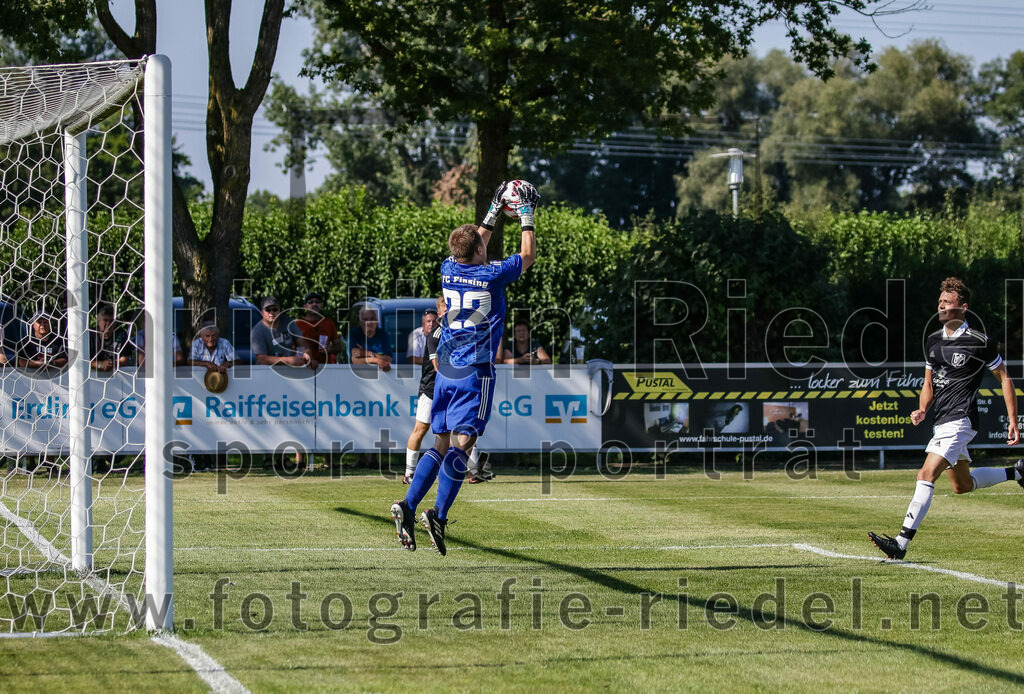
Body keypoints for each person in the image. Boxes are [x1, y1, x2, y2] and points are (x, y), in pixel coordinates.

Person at [391, 179, 539, 555]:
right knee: (464, 443)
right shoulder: (490, 275)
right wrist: (525, 215)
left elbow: (478, 241)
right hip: (476, 370)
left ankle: (408, 505)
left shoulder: (447, 267)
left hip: (446, 372)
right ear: (479, 251)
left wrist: (493, 207)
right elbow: (527, 256)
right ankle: (437, 514)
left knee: (439, 442)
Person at [868, 277, 1020, 561]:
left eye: (947, 303)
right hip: (941, 420)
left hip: (960, 420)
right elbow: (929, 383)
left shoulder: (979, 341)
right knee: (962, 485)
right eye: (940, 303)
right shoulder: (933, 340)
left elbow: (1005, 378)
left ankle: (900, 544)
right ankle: (1017, 472)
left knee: (926, 475)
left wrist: (1013, 420)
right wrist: (923, 408)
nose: (941, 307)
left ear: (962, 308)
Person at [401, 299, 486, 484]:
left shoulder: (459, 331)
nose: (452, 311)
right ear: (440, 313)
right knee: (421, 429)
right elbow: (438, 367)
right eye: (448, 309)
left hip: (452, 387)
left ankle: (473, 471)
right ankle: (409, 473)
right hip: (432, 388)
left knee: (465, 427)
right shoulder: (436, 334)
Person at [251, 296, 315, 368]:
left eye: (275, 309)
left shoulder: (287, 321)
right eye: (268, 310)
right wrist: (288, 361)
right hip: (267, 371)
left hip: (289, 369)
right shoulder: (257, 331)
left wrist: (309, 356)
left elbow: (302, 342)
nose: (272, 312)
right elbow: (261, 359)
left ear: (279, 310)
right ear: (262, 313)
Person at [295, 291, 343, 365]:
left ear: (322, 305)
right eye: (310, 302)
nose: (314, 304)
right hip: (304, 367)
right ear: (305, 306)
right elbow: (291, 347)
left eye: (318, 302)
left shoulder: (328, 323)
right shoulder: (298, 324)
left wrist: (330, 349)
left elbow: (339, 347)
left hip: (325, 367)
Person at [348, 305, 392, 372]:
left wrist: (367, 354)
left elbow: (389, 359)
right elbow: (355, 360)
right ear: (360, 322)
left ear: (376, 321)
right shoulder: (354, 333)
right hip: (359, 375)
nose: (369, 322)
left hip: (382, 376)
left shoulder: (382, 334)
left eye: (372, 319)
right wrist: (377, 360)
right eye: (365, 319)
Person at [90, 304, 132, 371]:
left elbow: (125, 360)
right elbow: (83, 361)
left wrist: (112, 364)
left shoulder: (121, 335)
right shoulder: (90, 335)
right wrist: (100, 365)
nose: (108, 324)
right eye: (105, 320)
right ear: (98, 320)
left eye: (111, 321)